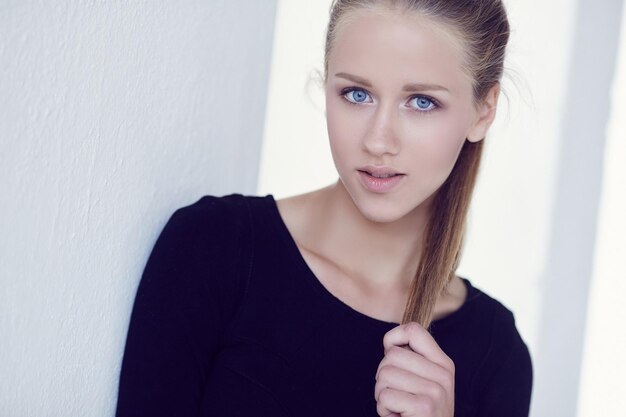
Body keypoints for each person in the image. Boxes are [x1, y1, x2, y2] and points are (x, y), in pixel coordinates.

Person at [115, 0, 533, 416]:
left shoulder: (496, 355)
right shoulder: (214, 249)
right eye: (357, 94)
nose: (378, 140)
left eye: (422, 102)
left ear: (484, 110)